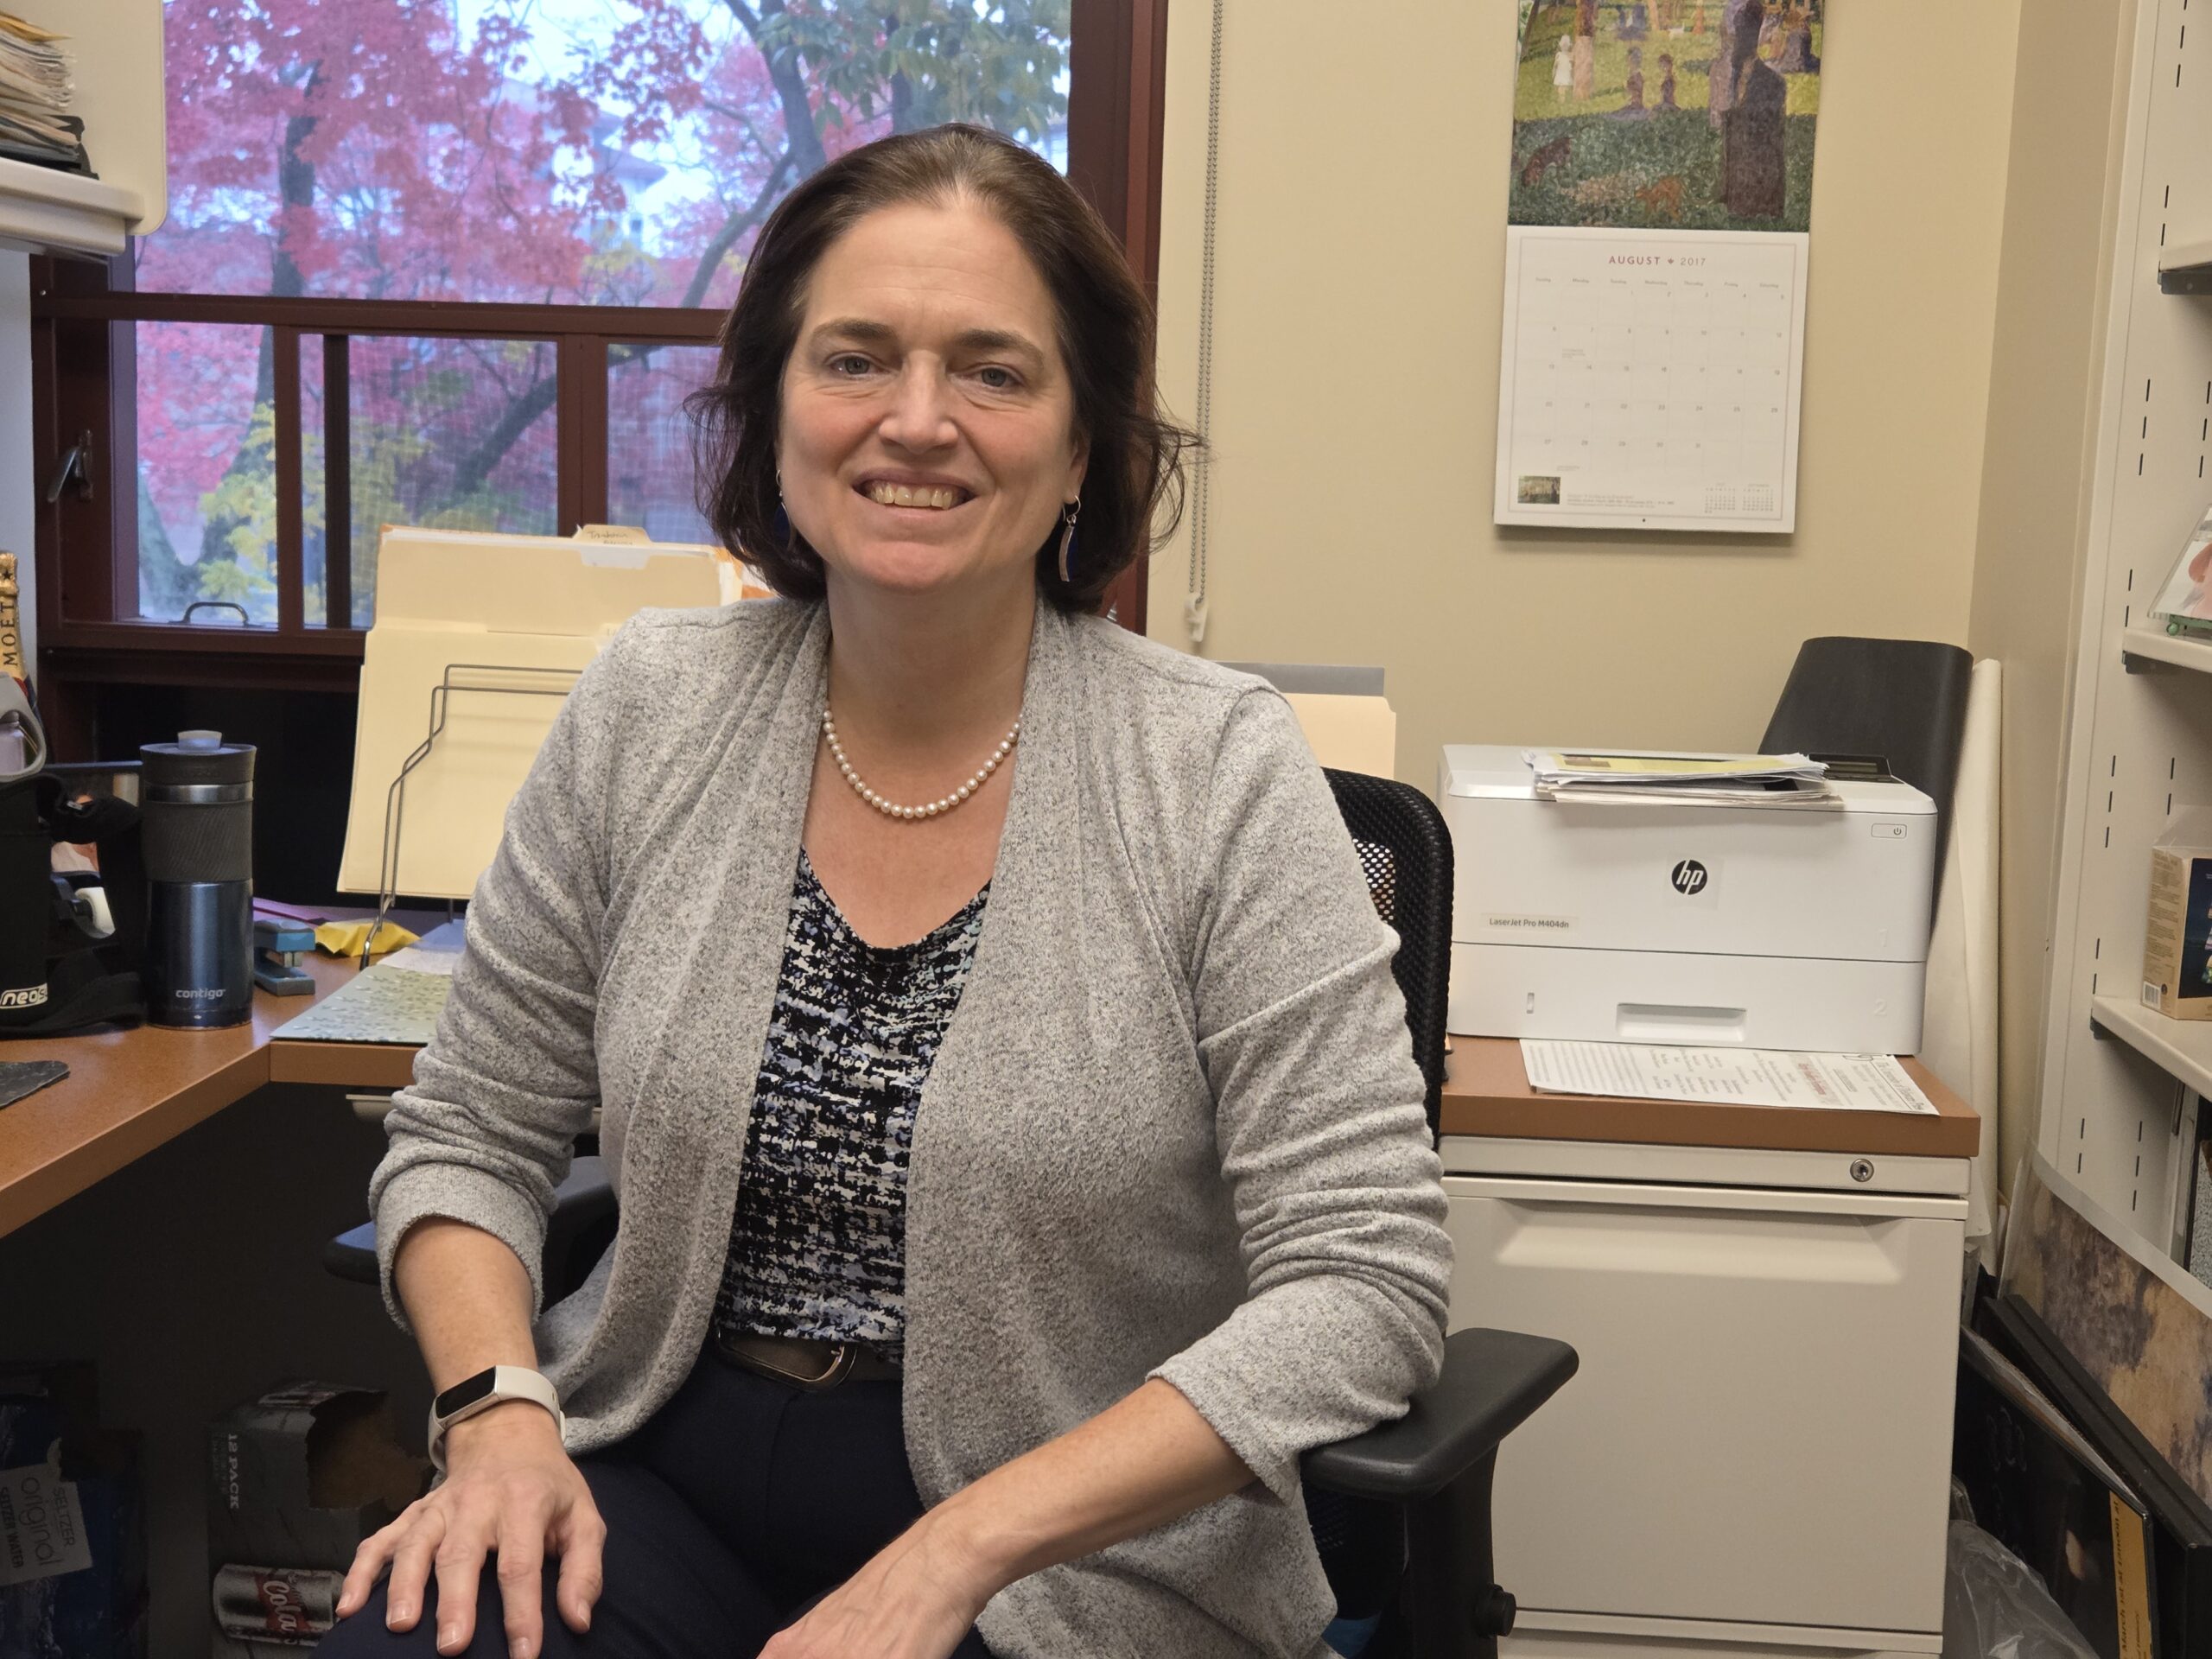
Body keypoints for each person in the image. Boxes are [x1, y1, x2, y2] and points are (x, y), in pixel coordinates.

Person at [318, 124, 1452, 1659]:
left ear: (1080, 447)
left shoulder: (1215, 770)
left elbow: (1367, 1278)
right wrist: (499, 1417)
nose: (916, 422)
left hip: (1066, 1538)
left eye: (992, 370)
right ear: (776, 414)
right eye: (856, 359)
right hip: (661, 1465)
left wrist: (956, 1553)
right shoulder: (652, 706)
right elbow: (467, 1139)